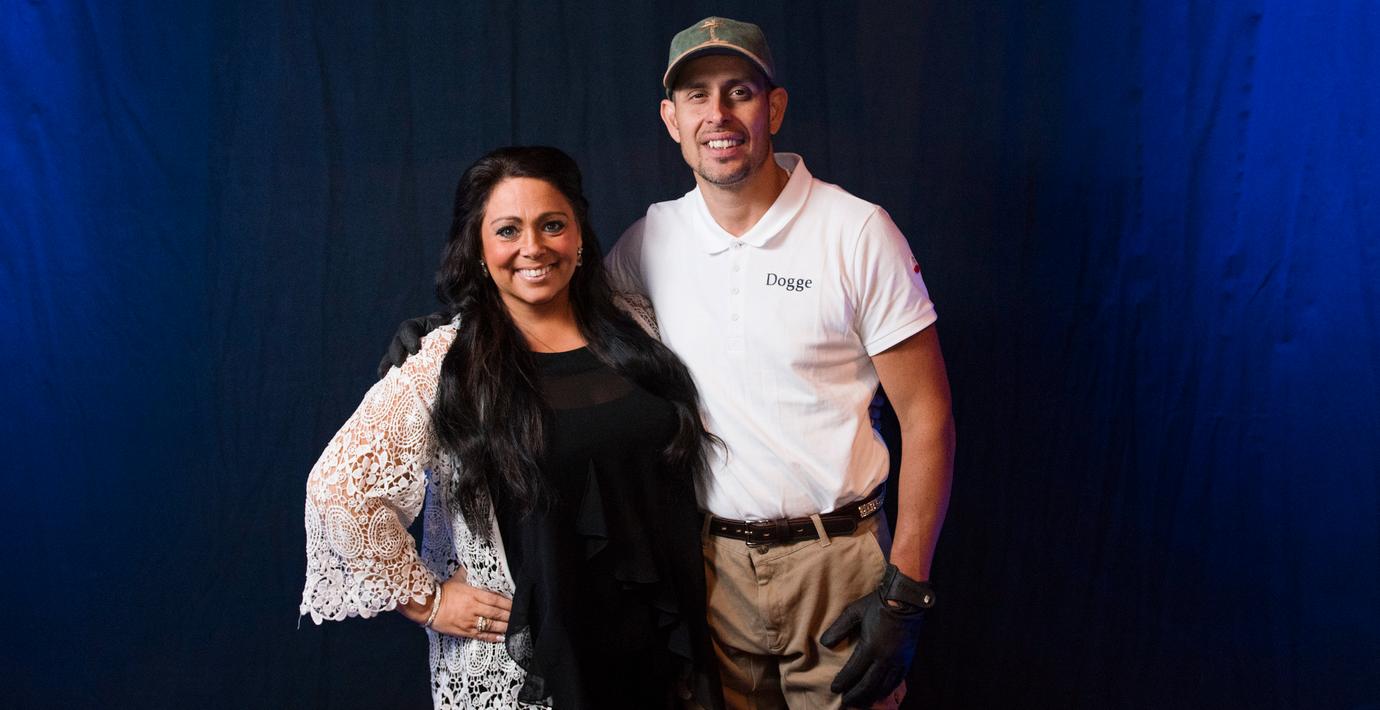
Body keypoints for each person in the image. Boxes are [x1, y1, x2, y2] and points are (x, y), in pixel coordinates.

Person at [384, 17, 954, 709]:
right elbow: (556, 299)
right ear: (671, 119)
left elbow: (927, 416)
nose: (719, 115)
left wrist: (906, 591)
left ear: (774, 107)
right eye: (696, 96)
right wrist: (454, 330)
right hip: (710, 571)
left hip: (834, 560)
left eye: (740, 92)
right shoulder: (651, 240)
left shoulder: (857, 232)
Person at [302, 146, 723, 709]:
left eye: (553, 225)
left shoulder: (637, 323)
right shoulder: (445, 363)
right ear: (477, 249)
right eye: (507, 230)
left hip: (649, 644)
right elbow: (338, 492)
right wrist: (428, 601)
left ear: (579, 236)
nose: (533, 247)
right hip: (532, 662)